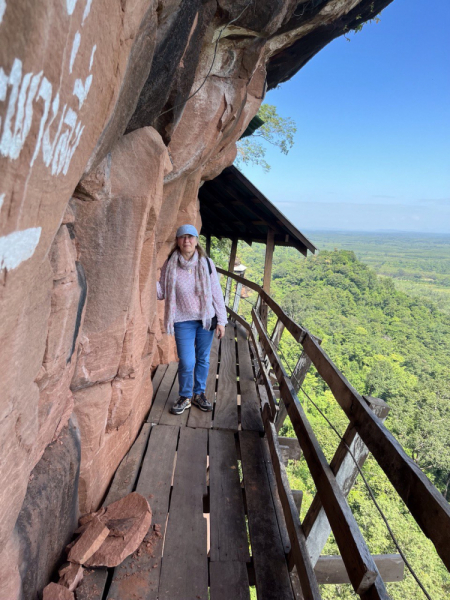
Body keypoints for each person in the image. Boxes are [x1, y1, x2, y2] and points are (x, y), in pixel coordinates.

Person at [157, 224, 228, 415]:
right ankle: (185, 396)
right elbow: (162, 291)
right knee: (187, 361)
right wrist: (146, 281)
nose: (186, 240)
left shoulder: (206, 263)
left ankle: (199, 394)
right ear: (178, 241)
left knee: (203, 359)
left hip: (206, 319)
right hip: (182, 320)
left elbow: (216, 293)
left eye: (190, 237)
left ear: (197, 240)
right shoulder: (170, 263)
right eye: (182, 237)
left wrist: (221, 320)